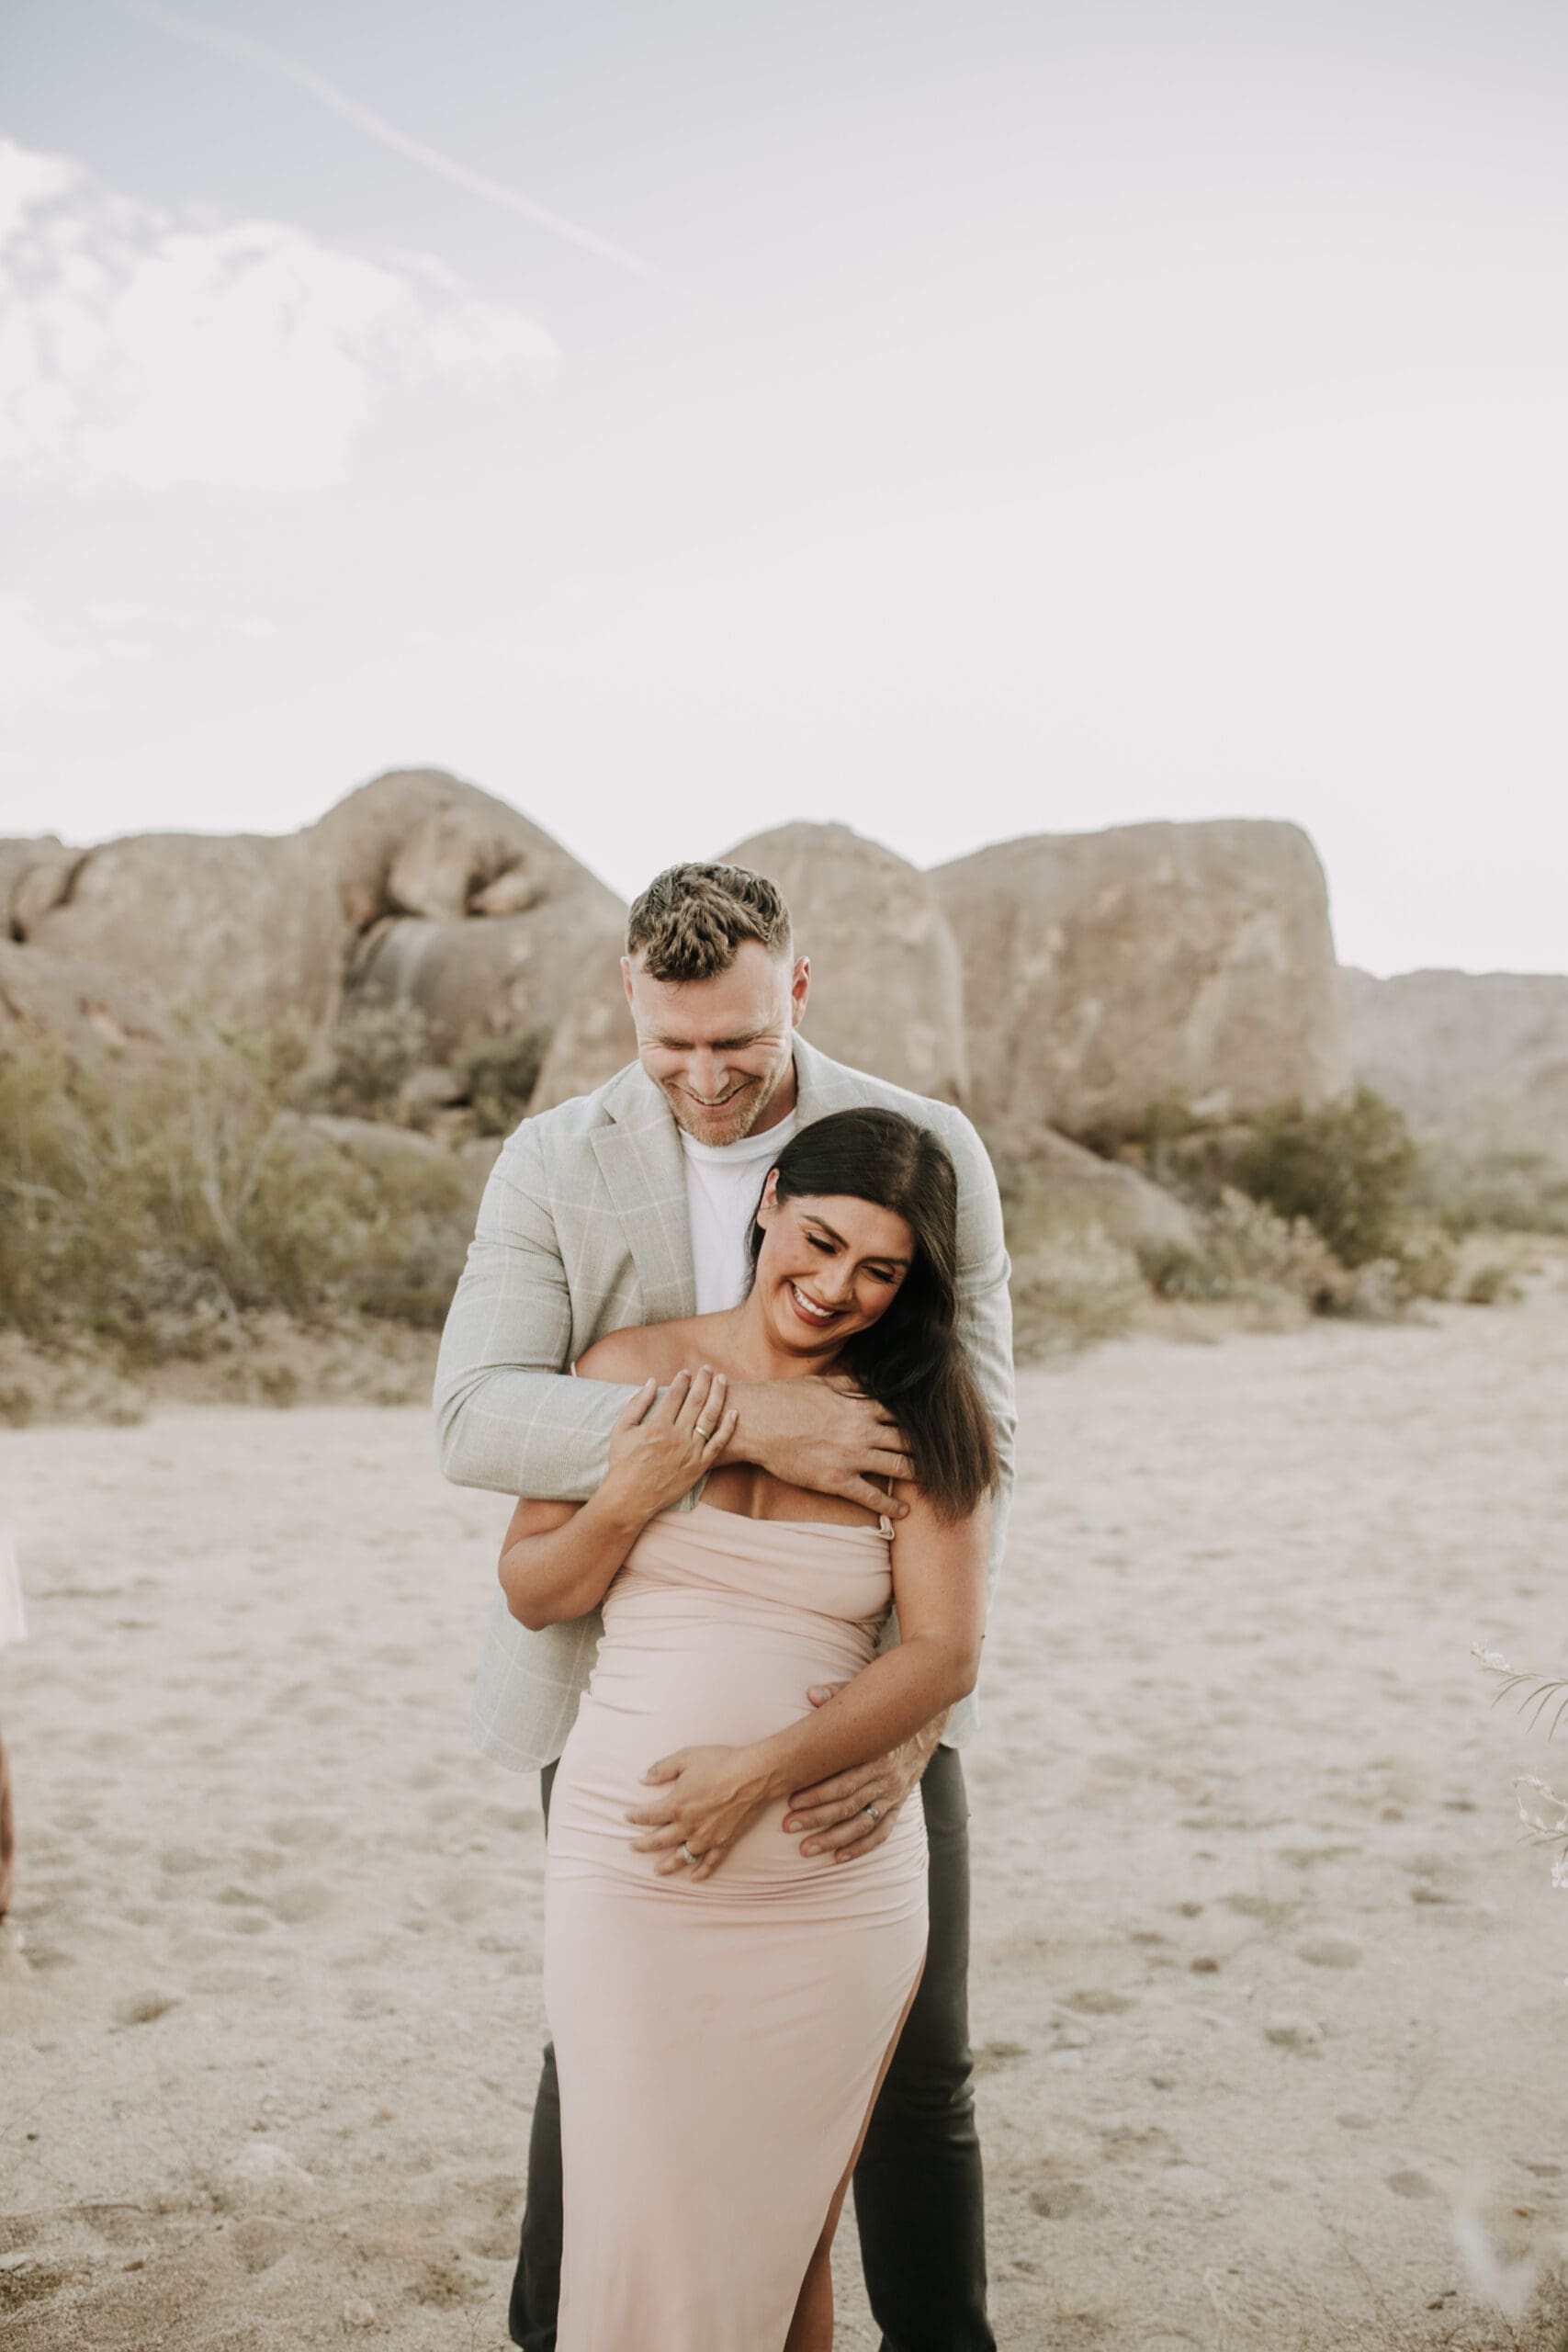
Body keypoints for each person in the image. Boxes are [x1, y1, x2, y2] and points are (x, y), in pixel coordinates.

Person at [434, 861, 1015, 2351]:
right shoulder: (552, 1161)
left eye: (738, 1046)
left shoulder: (919, 1147)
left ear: (797, 993)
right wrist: (749, 1424)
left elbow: (976, 1431)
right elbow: (477, 1423)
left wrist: (912, 1705)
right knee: (613, 2057)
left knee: (917, 2068)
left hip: (863, 1682)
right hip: (618, 1675)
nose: (703, 1077)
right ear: (630, 995)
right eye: (672, 1041)